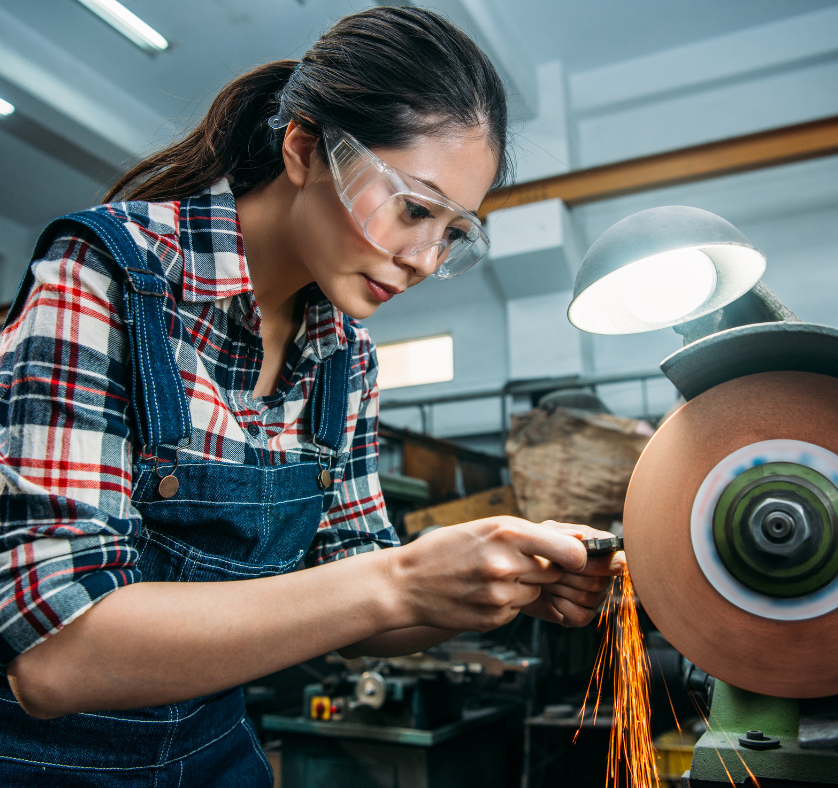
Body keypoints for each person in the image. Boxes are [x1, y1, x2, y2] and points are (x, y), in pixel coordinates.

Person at [0, 7, 623, 785]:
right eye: (415, 209)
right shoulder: (105, 276)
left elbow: (357, 607)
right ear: (303, 149)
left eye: (452, 233)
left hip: (212, 754)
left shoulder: (344, 358)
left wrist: (493, 580)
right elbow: (56, 656)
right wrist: (401, 582)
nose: (426, 259)